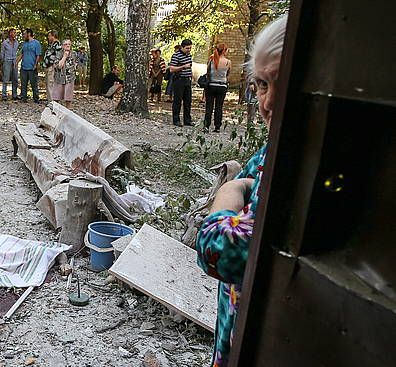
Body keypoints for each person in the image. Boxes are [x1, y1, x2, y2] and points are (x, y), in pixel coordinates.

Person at [195, 14, 287, 367]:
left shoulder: (301, 163)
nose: (267, 103)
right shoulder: (274, 149)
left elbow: (218, 252)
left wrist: (231, 190)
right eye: (262, 84)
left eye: (283, 84)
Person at [204, 44, 232, 132]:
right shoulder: (228, 62)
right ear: (224, 51)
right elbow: (227, 74)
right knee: (219, 107)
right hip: (222, 86)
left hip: (211, 85)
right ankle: (217, 126)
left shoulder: (211, 60)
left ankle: (206, 125)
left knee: (209, 106)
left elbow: (207, 71)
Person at [169, 39, 194, 126]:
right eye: (187, 48)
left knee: (188, 101)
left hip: (187, 80)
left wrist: (192, 76)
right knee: (177, 100)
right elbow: (172, 68)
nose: (189, 50)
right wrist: (183, 67)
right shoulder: (176, 55)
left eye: (190, 48)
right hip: (179, 80)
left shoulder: (189, 55)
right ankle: (176, 120)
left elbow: (190, 67)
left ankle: (187, 120)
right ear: (182, 47)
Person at [15, 28, 42, 103]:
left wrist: (35, 65)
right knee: (23, 84)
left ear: (29, 34)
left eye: (24, 34)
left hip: (32, 67)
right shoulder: (24, 44)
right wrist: (16, 62)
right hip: (24, 67)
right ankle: (24, 98)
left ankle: (36, 98)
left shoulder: (36, 43)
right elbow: (21, 54)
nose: (23, 35)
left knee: (34, 84)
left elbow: (38, 55)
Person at [52, 40, 78, 109]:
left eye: (69, 44)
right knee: (56, 97)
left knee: (68, 98)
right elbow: (58, 66)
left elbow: (75, 64)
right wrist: (64, 57)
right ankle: (56, 112)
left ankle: (68, 113)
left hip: (70, 78)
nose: (68, 45)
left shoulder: (74, 53)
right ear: (62, 46)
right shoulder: (58, 53)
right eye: (66, 44)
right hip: (59, 78)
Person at [0, 28, 20, 101]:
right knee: (6, 79)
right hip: (7, 61)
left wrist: (16, 61)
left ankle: (14, 95)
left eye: (15, 32)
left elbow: (17, 53)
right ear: (10, 34)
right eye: (14, 32)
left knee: (15, 79)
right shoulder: (5, 43)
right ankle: (4, 95)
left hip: (14, 61)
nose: (15, 34)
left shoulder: (16, 42)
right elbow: (2, 54)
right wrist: (3, 63)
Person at [43, 30, 62, 102]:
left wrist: (55, 65)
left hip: (52, 67)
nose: (48, 37)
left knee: (50, 84)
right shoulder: (52, 44)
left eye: (49, 36)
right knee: (49, 84)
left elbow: (59, 54)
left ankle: (52, 102)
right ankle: (51, 101)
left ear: (53, 36)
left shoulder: (57, 44)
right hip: (49, 66)